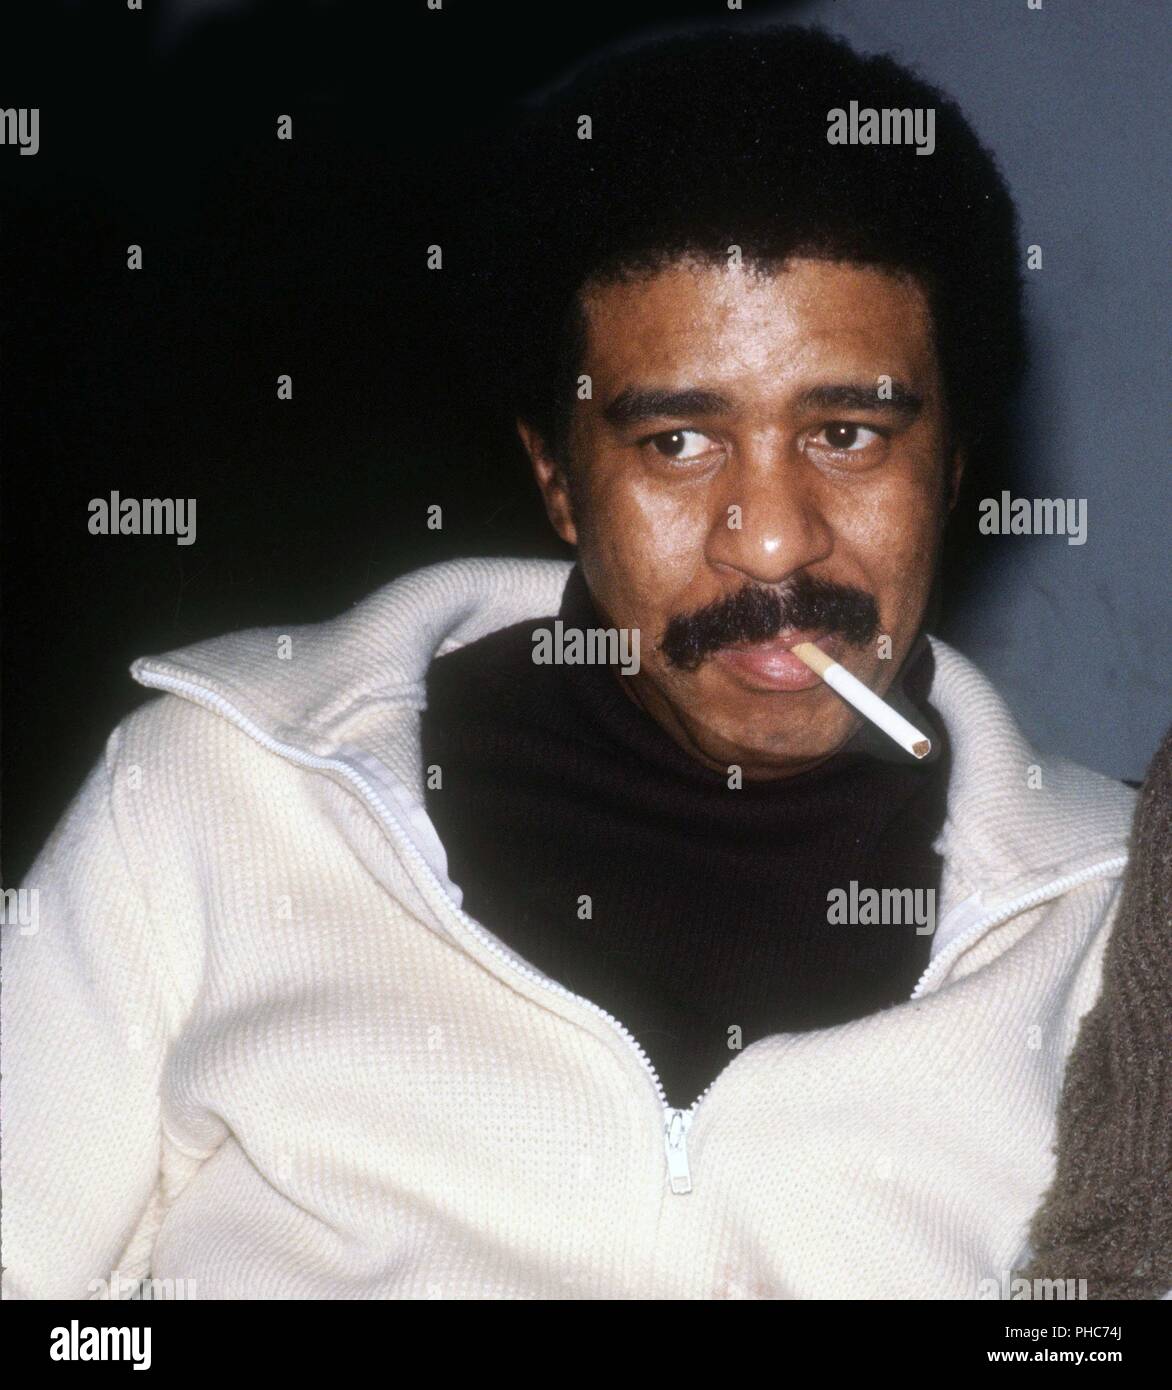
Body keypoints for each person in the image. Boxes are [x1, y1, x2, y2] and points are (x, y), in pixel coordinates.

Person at [2, 25, 1148, 1299]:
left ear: (951, 468)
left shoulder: (1119, 927)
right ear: (556, 477)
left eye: (845, 434)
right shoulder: (216, 794)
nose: (772, 537)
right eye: (675, 444)